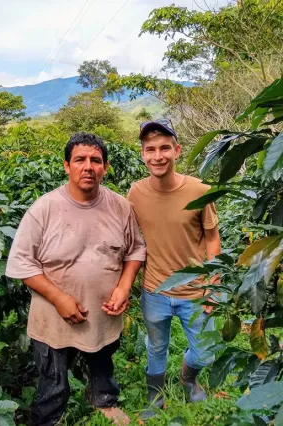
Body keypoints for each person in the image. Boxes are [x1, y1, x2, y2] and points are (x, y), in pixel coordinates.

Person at [6, 132, 146, 426]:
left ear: (105, 167)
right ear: (66, 166)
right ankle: (48, 418)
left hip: (104, 311)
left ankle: (104, 400)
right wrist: (58, 298)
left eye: (95, 160)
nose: (88, 166)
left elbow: (135, 249)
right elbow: (21, 262)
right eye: (79, 160)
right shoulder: (44, 209)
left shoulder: (120, 206)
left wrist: (123, 287)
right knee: (53, 377)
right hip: (53, 316)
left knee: (103, 359)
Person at [127, 119, 221, 419]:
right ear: (142, 154)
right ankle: (155, 395)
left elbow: (212, 238)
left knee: (207, 351)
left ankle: (188, 377)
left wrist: (213, 285)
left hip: (195, 292)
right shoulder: (136, 193)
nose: (158, 156)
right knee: (156, 347)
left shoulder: (200, 190)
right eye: (150, 149)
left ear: (177, 150)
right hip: (154, 290)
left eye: (164, 148)